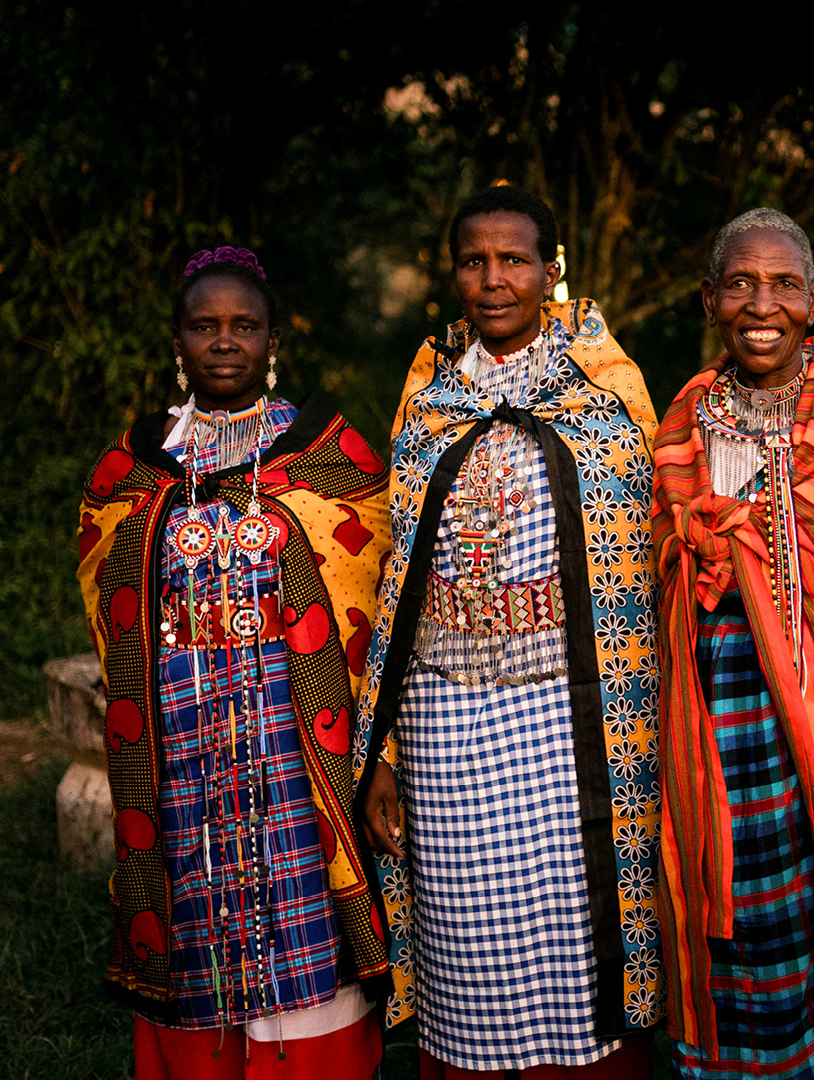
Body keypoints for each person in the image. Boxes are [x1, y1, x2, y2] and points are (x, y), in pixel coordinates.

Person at [350, 185, 662, 1078]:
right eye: (474, 262)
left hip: (570, 734)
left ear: (551, 272)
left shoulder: (607, 397)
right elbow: (399, 584)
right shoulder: (428, 400)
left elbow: (637, 569)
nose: (494, 280)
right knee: (466, 950)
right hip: (446, 727)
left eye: (514, 260)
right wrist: (390, 756)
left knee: (576, 946)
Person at [77, 246, 400, 1079]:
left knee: (304, 922)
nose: (225, 341)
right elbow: (107, 599)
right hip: (177, 755)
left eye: (244, 325)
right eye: (204, 325)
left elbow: (372, 607)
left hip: (297, 753)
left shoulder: (335, 459)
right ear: (177, 343)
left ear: (273, 340)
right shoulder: (130, 472)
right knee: (192, 923)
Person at [651, 208, 814, 1080]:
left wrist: (740, 537)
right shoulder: (680, 423)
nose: (764, 304)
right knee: (729, 926)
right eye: (742, 284)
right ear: (711, 298)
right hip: (708, 725)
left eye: (786, 284)